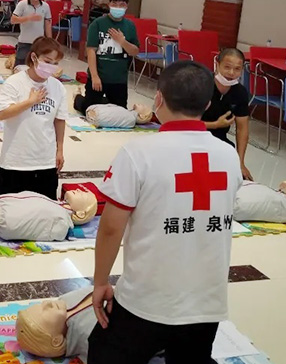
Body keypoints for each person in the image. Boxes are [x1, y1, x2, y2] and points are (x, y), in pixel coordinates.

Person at [89, 61, 243, 364]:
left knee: (104, 351)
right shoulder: (228, 155)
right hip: (206, 303)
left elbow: (110, 228)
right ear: (208, 104)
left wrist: (100, 282)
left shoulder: (137, 153)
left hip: (145, 301)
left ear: (158, 99)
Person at [0, 37, 67, 200]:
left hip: (45, 161)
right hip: (15, 161)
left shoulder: (57, 87)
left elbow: (59, 120)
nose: (51, 67)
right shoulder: (15, 82)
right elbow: (2, 114)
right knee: (7, 207)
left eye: (55, 63)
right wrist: (30, 102)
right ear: (34, 57)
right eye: (47, 61)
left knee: (45, 206)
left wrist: (59, 150)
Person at [74, 0, 139, 114]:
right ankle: (78, 99)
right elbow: (91, 51)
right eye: (114, 4)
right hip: (99, 76)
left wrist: (122, 41)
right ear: (109, 4)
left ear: (127, 6)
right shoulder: (97, 24)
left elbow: (135, 51)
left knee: (119, 113)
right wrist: (94, 77)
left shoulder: (130, 26)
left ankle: (105, 102)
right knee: (89, 111)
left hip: (119, 79)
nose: (118, 7)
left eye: (121, 5)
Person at [202, 48, 253, 180]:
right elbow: (184, 122)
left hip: (219, 140)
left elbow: (242, 128)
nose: (231, 73)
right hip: (194, 136)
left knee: (237, 175)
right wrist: (214, 125)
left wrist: (240, 162)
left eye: (237, 69)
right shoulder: (201, 84)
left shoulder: (240, 92)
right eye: (227, 67)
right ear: (217, 64)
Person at [11, 0, 52, 66]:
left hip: (39, 43)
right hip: (24, 42)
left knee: (37, 67)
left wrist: (50, 41)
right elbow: (13, 20)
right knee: (19, 67)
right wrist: (28, 18)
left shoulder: (46, 6)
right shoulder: (22, 4)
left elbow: (48, 24)